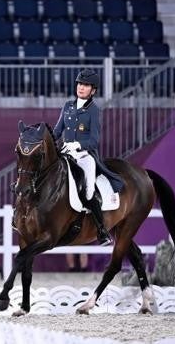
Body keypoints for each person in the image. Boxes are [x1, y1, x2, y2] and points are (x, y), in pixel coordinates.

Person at [52, 68, 123, 246]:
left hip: (84, 157)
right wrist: (46, 140)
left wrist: (78, 145)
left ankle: (102, 231)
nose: (81, 88)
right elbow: (57, 131)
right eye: (79, 84)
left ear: (93, 90)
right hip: (65, 155)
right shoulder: (67, 106)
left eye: (86, 85)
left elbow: (94, 140)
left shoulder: (93, 110)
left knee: (89, 191)